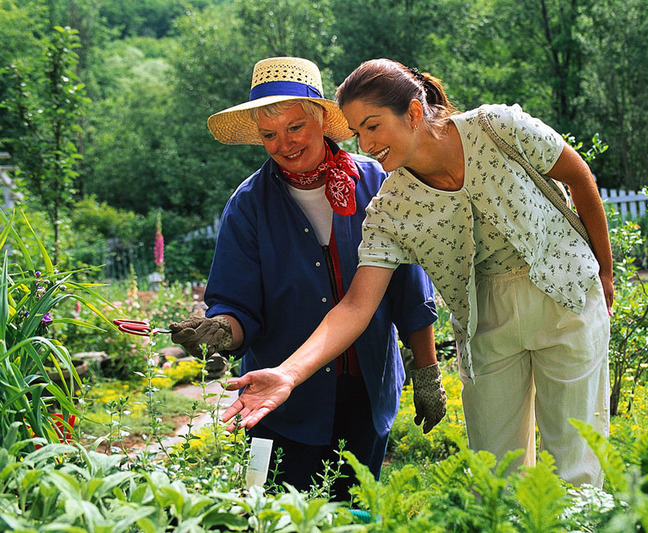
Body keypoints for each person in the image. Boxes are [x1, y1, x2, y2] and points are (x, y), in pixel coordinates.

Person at [221, 58, 613, 487]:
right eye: (358, 133)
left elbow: (578, 175)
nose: (365, 145)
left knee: (577, 461)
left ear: (411, 111)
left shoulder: (495, 127)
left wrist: (605, 273)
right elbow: (356, 305)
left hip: (564, 290)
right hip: (486, 313)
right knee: (497, 476)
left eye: (373, 127)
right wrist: (287, 374)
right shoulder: (391, 205)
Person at [168, 57, 444, 500]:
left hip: (366, 389)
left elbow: (411, 291)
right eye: (269, 135)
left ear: (320, 118)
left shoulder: (377, 182)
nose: (284, 144)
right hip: (276, 404)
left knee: (355, 513)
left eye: (295, 127)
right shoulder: (249, 205)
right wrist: (219, 332)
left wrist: (427, 373)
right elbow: (237, 306)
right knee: (276, 513)